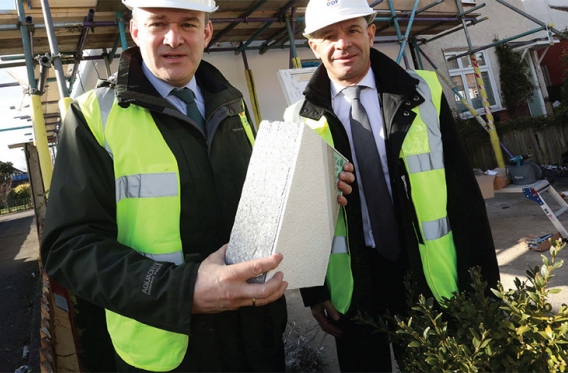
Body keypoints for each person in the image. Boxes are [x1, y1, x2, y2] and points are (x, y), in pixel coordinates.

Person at [40, 0, 354, 371]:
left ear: (206, 32)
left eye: (188, 24)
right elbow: (68, 247)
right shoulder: (93, 117)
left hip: (257, 339)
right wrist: (183, 290)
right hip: (170, 350)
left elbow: (259, 209)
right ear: (136, 31)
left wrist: (309, 194)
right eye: (158, 24)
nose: (174, 39)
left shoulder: (232, 104)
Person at [283, 0, 501, 371]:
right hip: (352, 283)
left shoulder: (423, 94)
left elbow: (462, 192)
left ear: (371, 32)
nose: (342, 44)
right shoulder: (298, 120)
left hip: (426, 273)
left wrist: (484, 285)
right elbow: (303, 217)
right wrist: (314, 293)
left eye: (352, 30)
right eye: (328, 35)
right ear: (313, 46)